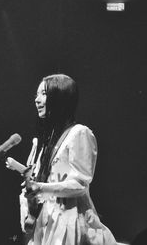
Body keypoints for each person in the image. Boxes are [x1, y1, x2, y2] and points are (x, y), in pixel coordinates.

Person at [8, 74, 117, 245]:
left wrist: (40, 188)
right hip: (49, 223)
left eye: (43, 94)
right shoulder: (47, 141)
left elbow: (80, 184)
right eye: (36, 95)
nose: (37, 100)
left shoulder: (79, 133)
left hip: (71, 222)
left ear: (60, 97)